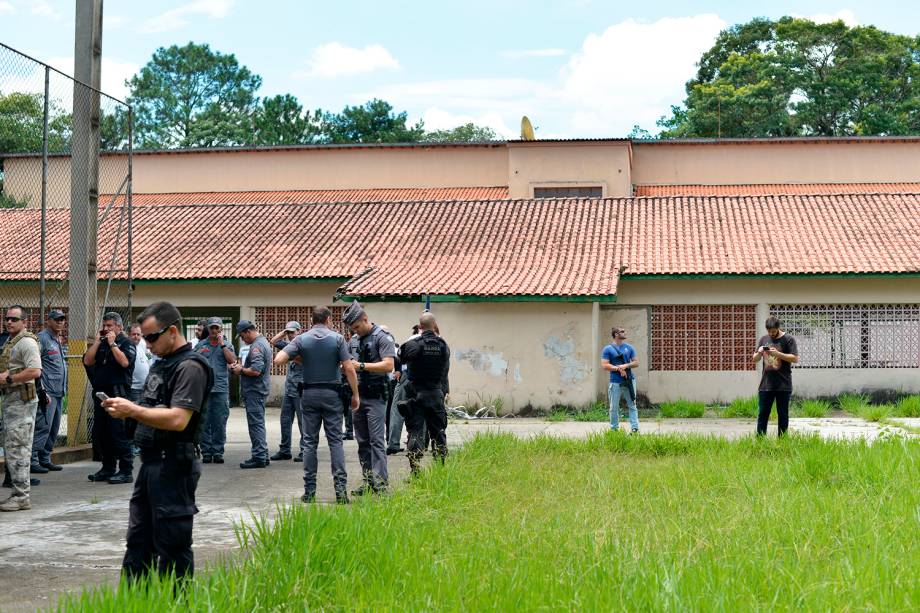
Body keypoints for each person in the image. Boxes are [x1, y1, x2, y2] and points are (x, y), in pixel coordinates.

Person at [101, 301, 213, 581]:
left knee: (173, 547)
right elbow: (153, 408)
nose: (147, 344)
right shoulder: (162, 364)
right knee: (139, 545)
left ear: (172, 330)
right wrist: (127, 411)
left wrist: (133, 410)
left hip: (174, 465)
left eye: (152, 337)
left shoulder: (191, 367)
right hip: (151, 463)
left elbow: (178, 419)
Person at [274, 307, 358, 503]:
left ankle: (309, 491)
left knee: (310, 443)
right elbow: (348, 368)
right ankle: (340, 491)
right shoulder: (337, 339)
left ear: (312, 320)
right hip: (332, 394)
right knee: (335, 441)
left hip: (309, 394)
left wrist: (304, 359)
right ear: (328, 319)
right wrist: (355, 394)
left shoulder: (301, 339)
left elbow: (279, 359)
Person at [343, 301, 395, 495]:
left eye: (357, 326)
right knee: (362, 442)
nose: (355, 331)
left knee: (376, 441)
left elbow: (388, 365)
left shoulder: (383, 338)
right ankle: (368, 482)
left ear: (365, 319)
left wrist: (362, 366)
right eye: (352, 328)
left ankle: (381, 484)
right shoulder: (354, 340)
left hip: (376, 397)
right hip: (358, 397)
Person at [83, 311, 136, 484]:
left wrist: (113, 345)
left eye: (109, 326)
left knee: (118, 433)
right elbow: (88, 361)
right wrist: (98, 342)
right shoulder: (102, 343)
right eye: (104, 326)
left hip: (118, 393)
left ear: (119, 327)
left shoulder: (126, 343)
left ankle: (126, 471)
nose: (106, 329)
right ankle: (107, 468)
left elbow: (125, 363)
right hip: (101, 394)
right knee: (103, 433)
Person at [0, 305, 42, 511]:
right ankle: (18, 493)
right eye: (7, 318)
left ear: (24, 322)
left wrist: (8, 378)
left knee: (19, 448)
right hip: (12, 400)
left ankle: (21, 496)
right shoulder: (12, 341)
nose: (9, 322)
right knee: (12, 447)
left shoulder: (26, 342)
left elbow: (35, 370)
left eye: (14, 319)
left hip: (21, 401)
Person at [397, 313, 451, 476]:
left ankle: (415, 470)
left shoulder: (414, 344)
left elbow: (400, 358)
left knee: (414, 431)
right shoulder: (443, 345)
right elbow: (445, 370)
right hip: (435, 394)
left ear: (420, 327)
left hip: (416, 394)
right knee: (438, 431)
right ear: (435, 325)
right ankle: (441, 468)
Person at [230, 320, 271, 469]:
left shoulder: (256, 346)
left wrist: (240, 370)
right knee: (258, 423)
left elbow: (256, 370)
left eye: (242, 336)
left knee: (255, 425)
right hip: (258, 390)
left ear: (248, 331)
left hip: (255, 391)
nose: (242, 339)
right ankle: (263, 454)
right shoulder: (262, 343)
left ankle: (259, 456)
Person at [31, 309, 67, 473]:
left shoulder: (56, 339)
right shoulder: (42, 339)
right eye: (57, 319)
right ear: (49, 321)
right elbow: (35, 367)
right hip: (48, 393)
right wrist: (42, 391)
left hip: (59, 392)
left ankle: (45, 459)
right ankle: (33, 461)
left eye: (62, 319)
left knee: (53, 429)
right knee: (42, 427)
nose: (60, 322)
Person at [195, 317, 235, 463]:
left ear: (221, 330)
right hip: (204, 390)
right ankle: (206, 451)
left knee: (219, 422)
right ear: (208, 329)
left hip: (220, 389)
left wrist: (222, 345)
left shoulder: (228, 345)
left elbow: (231, 361)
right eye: (211, 328)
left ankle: (218, 451)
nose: (213, 330)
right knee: (204, 422)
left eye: (216, 328)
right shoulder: (200, 345)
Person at [753, 316, 799, 437]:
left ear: (778, 328)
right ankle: (760, 441)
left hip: (783, 385)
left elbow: (795, 358)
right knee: (763, 414)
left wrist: (777, 353)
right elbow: (754, 359)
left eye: (773, 331)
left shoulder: (789, 339)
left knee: (783, 415)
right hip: (766, 385)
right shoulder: (763, 339)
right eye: (769, 331)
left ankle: (783, 440)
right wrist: (759, 352)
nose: (771, 334)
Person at [270, 321, 304, 462]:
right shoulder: (288, 347)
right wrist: (284, 331)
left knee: (303, 422)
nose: (290, 335)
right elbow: (273, 341)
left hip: (301, 389)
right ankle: (285, 450)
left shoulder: (303, 346)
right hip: (289, 389)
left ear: (299, 331)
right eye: (288, 333)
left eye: (292, 332)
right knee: (285, 420)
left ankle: (305, 450)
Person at [388, 324, 420, 455]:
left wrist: (398, 370)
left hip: (407, 376)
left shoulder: (411, 340)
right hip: (423, 378)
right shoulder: (434, 340)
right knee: (420, 411)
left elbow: (398, 357)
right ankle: (419, 444)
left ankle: (393, 444)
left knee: (397, 411)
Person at [601, 326, 640, 433]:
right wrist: (618, 368)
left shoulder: (629, 347)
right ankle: (614, 429)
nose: (625, 332)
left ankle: (635, 429)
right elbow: (605, 365)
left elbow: (636, 363)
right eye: (622, 331)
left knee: (632, 405)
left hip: (629, 380)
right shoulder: (607, 349)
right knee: (613, 407)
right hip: (615, 382)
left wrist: (625, 366)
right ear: (616, 334)